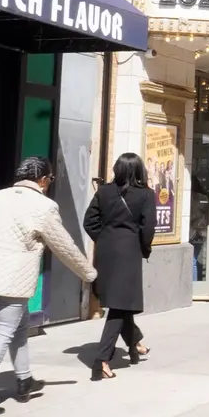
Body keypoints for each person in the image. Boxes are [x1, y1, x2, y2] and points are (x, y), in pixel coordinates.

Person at [0, 157, 96, 417]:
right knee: (3, 334)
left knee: (20, 327)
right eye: (50, 179)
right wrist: (88, 273)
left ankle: (24, 380)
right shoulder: (43, 206)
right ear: (43, 180)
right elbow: (64, 246)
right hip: (14, 281)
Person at [83, 152, 157, 381]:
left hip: (105, 252)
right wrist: (143, 247)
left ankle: (134, 342)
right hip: (129, 253)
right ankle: (102, 360)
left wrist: (104, 238)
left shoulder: (104, 191)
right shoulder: (145, 194)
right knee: (118, 306)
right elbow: (148, 228)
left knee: (120, 302)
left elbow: (89, 221)